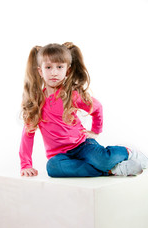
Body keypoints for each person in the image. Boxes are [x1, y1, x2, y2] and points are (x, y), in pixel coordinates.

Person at [19, 42, 148, 177]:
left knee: (102, 160)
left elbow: (97, 108)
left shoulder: (71, 95)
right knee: (52, 168)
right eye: (49, 67)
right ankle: (112, 170)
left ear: (67, 71)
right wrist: (25, 165)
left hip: (82, 145)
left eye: (59, 67)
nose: (54, 72)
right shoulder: (35, 102)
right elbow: (27, 135)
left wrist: (95, 130)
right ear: (40, 71)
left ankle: (127, 152)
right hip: (59, 155)